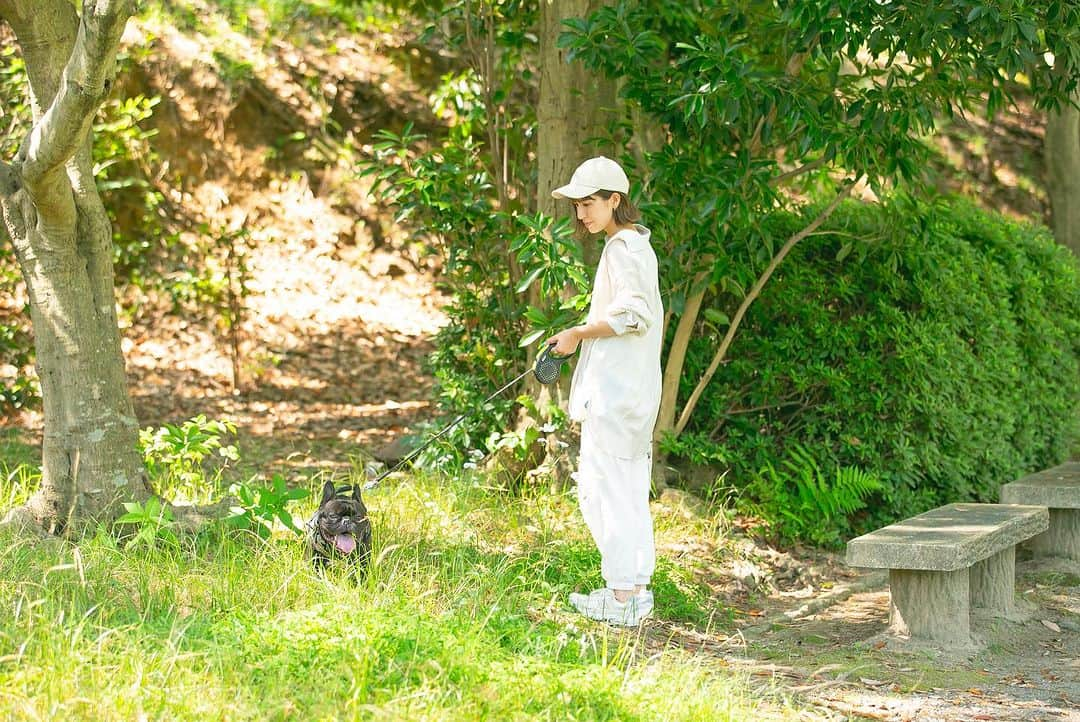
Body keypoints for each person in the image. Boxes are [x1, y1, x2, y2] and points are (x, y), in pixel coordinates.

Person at [546, 156, 663, 626]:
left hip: (618, 397)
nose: (581, 214)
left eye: (590, 203)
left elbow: (635, 314)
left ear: (616, 201)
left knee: (602, 491)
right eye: (578, 205)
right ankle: (633, 592)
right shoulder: (634, 246)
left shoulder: (622, 248)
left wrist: (578, 333)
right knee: (625, 492)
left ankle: (620, 598)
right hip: (630, 395)